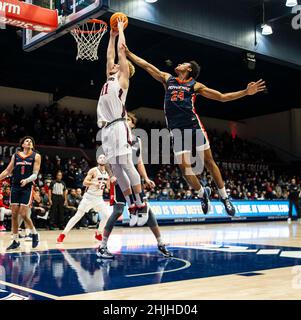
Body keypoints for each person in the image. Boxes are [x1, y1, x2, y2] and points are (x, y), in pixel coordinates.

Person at [125, 47, 266, 216]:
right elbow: (147, 65)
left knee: (208, 161)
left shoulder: (195, 85)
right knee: (185, 170)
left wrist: (245, 92)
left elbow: (221, 97)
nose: (178, 63)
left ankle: (224, 196)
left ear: (189, 69)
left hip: (193, 126)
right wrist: (128, 54)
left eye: (183, 63)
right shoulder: (167, 79)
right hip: (176, 131)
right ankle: (202, 193)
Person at [97, 113, 172, 259]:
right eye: (124, 119)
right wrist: (111, 174)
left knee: (147, 210)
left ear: (132, 124)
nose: (125, 121)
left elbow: (139, 162)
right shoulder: (114, 135)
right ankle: (102, 246)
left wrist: (146, 178)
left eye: (128, 120)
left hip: (134, 180)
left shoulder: (137, 140)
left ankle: (161, 243)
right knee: (118, 211)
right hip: (119, 179)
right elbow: (106, 159)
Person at [96, 17, 148, 224]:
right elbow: (110, 55)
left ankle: (141, 202)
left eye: (118, 65)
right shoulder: (109, 77)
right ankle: (131, 204)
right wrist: (110, 36)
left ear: (124, 70)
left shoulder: (123, 78)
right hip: (106, 129)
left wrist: (120, 29)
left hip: (118, 125)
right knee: (116, 169)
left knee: (126, 165)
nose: (114, 65)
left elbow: (120, 52)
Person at [56, 154, 111, 243]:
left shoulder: (107, 173)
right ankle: (63, 234)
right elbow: (85, 183)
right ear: (97, 160)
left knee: (106, 215)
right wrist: (94, 183)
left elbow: (107, 187)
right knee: (78, 216)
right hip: (89, 197)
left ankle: (98, 233)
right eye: (100, 157)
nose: (102, 158)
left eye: (104, 157)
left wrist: (108, 187)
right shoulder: (93, 170)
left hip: (99, 198)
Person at [0, 136, 40, 250]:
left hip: (27, 187)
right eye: (27, 141)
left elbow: (35, 174)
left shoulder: (36, 156)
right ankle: (15, 240)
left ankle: (34, 233)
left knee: (23, 214)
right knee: (14, 215)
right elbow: (8, 171)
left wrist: (26, 180)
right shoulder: (16, 155)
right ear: (22, 144)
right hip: (15, 186)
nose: (29, 142)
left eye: (31, 141)